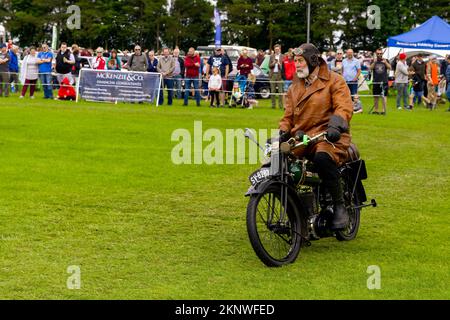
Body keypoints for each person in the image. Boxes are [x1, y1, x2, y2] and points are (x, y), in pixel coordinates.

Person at [279, 43, 353, 230]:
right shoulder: (294, 88)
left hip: (328, 136)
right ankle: (297, 214)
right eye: (295, 61)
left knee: (322, 157)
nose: (296, 65)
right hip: (303, 138)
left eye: (300, 61)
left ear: (313, 61)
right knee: (281, 165)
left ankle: (339, 205)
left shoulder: (335, 81)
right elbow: (288, 117)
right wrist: (281, 133)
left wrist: (336, 126)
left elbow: (343, 106)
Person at [370, 48, 391, 115]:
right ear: (376, 54)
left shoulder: (386, 60)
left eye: (380, 53)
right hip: (376, 81)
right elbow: (370, 68)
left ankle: (383, 110)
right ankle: (376, 110)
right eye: (378, 53)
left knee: (384, 96)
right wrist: (374, 62)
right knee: (376, 96)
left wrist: (386, 63)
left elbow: (390, 67)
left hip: (384, 81)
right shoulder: (373, 60)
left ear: (382, 54)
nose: (379, 55)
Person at [268, 44, 284, 109]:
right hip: (272, 75)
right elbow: (269, 66)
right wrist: (274, 63)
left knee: (280, 91)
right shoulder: (271, 56)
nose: (276, 50)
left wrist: (279, 64)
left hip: (280, 75)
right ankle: (273, 105)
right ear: (274, 50)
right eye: (275, 49)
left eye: (278, 49)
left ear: (280, 49)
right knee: (272, 91)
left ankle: (280, 105)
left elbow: (284, 68)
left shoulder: (283, 56)